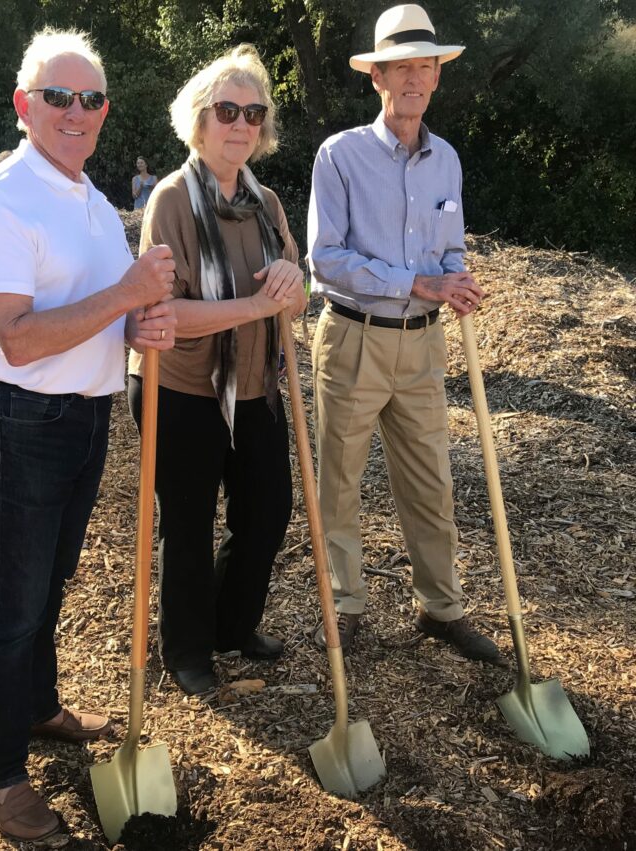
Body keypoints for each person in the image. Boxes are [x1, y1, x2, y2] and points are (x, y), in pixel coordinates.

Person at [0, 28, 176, 842]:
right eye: (58, 97)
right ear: (25, 106)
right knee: (14, 601)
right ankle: (0, 772)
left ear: (104, 111)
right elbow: (16, 336)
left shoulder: (88, 200)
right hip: (23, 416)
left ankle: (39, 704)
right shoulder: (1, 198)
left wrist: (138, 324)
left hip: (85, 413)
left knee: (52, 582)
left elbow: (99, 315)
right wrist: (125, 293)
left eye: (91, 99)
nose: (76, 112)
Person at [308, 4, 506, 665]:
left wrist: (456, 280)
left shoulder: (446, 160)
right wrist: (415, 283)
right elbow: (325, 258)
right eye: (401, 68)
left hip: (423, 346)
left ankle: (440, 607)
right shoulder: (340, 156)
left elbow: (449, 248)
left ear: (436, 78)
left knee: (432, 481)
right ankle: (345, 606)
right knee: (339, 479)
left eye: (425, 66)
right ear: (378, 79)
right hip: (354, 339)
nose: (414, 79)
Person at [127, 44, 306, 696]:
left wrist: (293, 281)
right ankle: (189, 650)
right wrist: (257, 302)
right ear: (199, 120)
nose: (241, 123)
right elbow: (164, 314)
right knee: (189, 522)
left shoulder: (268, 204)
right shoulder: (170, 200)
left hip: (255, 386)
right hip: (179, 386)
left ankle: (233, 625)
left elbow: (296, 294)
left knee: (267, 513)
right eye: (226, 109)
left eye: (253, 113)